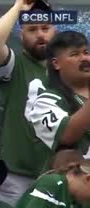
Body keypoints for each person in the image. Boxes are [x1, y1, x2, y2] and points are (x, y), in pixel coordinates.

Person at [0, 0, 57, 206]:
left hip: (55, 174)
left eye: (46, 28)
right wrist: (18, 7)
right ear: (21, 34)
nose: (41, 34)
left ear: (55, 30)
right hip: (15, 177)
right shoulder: (14, 65)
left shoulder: (67, 69)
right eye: (32, 29)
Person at [26, 31, 90, 167]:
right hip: (68, 183)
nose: (85, 58)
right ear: (56, 63)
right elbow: (67, 134)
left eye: (86, 52)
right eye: (75, 54)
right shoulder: (46, 101)